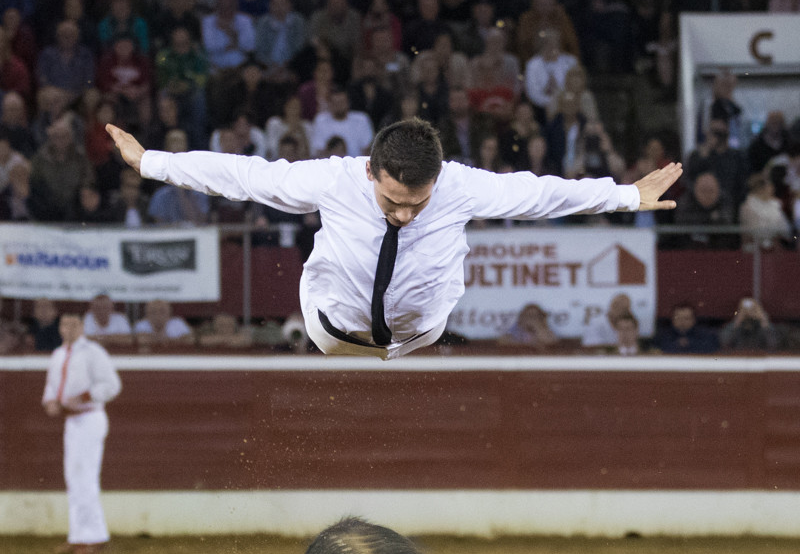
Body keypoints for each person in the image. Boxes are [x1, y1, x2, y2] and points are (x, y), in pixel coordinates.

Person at [106, 116, 682, 360]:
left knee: (461, 247)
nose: (404, 215)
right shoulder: (333, 177)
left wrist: (628, 195)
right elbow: (244, 177)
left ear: (437, 178)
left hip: (420, 329)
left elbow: (543, 194)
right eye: (392, 201)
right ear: (369, 173)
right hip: (331, 328)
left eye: (418, 202)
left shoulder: (459, 186)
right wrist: (151, 162)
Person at [41, 311, 122, 554]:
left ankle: (88, 538)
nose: (69, 328)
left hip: (89, 417)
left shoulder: (93, 352)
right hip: (72, 421)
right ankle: (82, 536)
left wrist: (85, 396)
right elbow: (52, 387)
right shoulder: (58, 354)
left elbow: (111, 385)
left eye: (74, 324)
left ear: (82, 326)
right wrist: (50, 402)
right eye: (65, 324)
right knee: (76, 478)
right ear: (60, 327)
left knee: (83, 477)